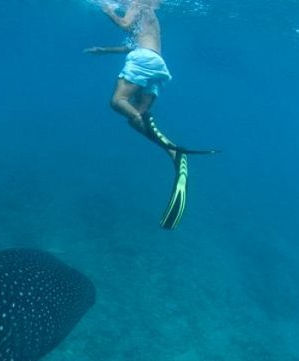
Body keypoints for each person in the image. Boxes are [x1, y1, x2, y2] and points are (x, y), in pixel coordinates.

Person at [85, 0, 215, 229]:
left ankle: (147, 121)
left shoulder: (139, 4)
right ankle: (174, 153)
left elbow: (125, 25)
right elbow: (133, 44)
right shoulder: (150, 19)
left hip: (142, 60)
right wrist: (104, 50)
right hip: (158, 65)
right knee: (133, 119)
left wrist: (107, 10)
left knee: (118, 102)